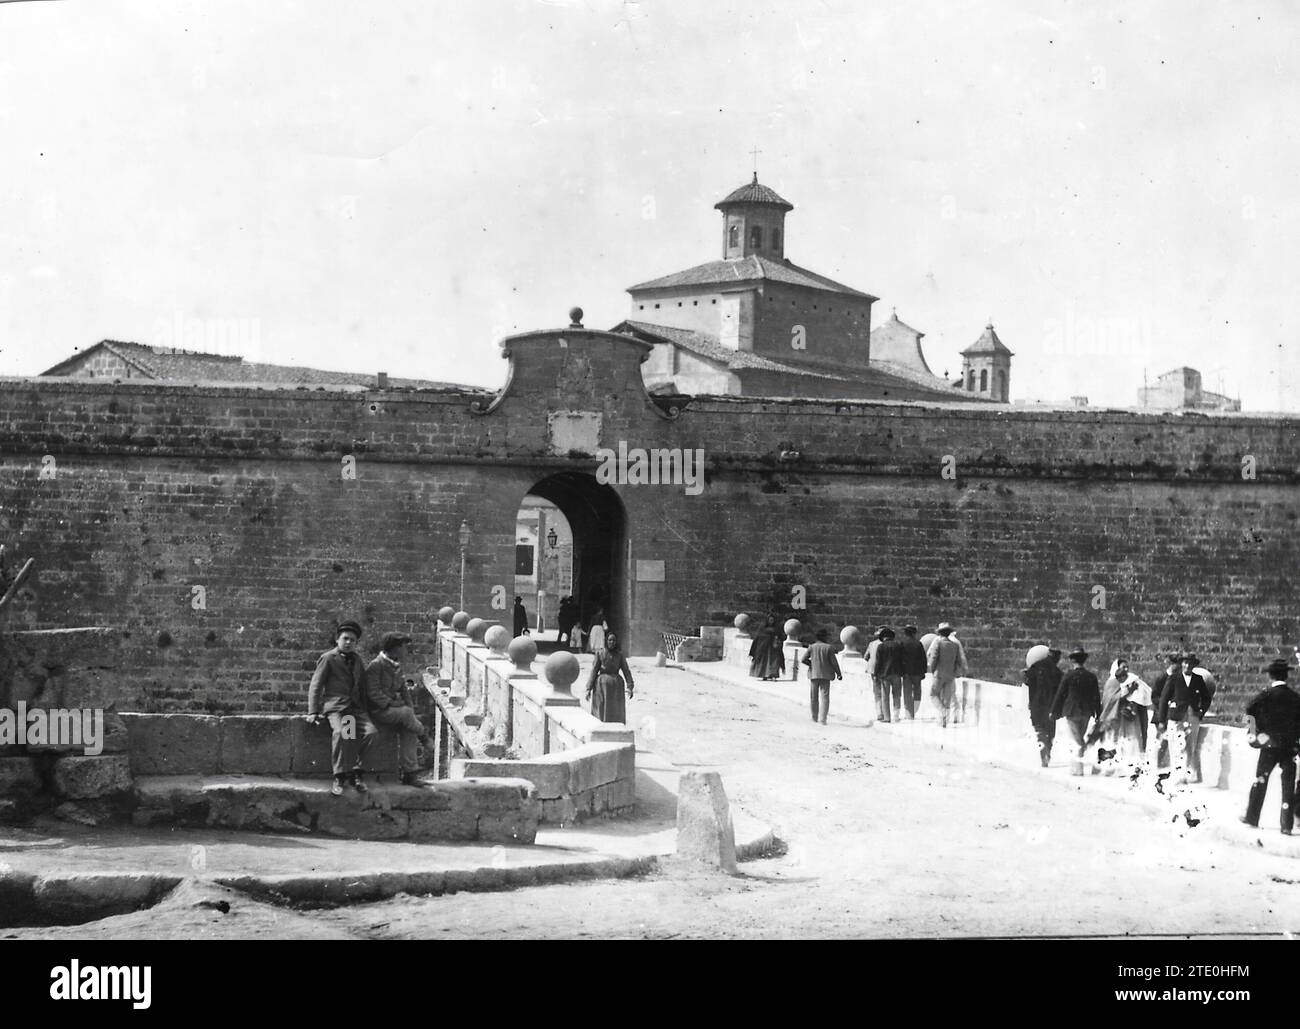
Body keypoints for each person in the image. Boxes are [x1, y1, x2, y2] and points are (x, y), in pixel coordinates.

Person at [306, 620, 378, 796]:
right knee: (342, 733)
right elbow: (316, 685)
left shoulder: (357, 660)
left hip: (355, 709)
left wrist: (367, 711)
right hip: (337, 707)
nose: (348, 643)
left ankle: (357, 772)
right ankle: (339, 776)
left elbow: (362, 687)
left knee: (371, 733)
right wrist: (313, 711)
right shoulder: (329, 658)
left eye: (352, 640)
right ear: (337, 639)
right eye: (345, 639)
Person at [1241, 659, 1300, 835]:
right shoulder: (1296, 698)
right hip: (1290, 748)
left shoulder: (1265, 695)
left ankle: (1252, 818)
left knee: (1260, 780)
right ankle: (1286, 825)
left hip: (1269, 746)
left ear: (1270, 676)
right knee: (1288, 786)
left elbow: (1249, 711)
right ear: (1286, 676)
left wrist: (1254, 734)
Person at [365, 632, 431, 787]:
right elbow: (373, 693)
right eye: (403, 647)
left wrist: (409, 708)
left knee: (408, 728)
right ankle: (425, 738)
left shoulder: (396, 665)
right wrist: (394, 705)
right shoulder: (376, 666)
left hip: (392, 712)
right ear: (394, 649)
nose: (406, 650)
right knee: (407, 715)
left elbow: (403, 690)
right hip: (377, 711)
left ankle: (410, 774)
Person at [1156, 653, 1213, 783]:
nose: (1187, 665)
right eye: (1185, 663)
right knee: (1175, 744)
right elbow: (1164, 699)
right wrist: (1161, 720)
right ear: (1182, 664)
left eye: (1190, 663)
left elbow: (1206, 698)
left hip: (1192, 716)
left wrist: (1201, 711)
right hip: (1176, 716)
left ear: (1194, 666)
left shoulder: (1198, 679)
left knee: (1190, 745)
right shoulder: (1174, 678)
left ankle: (1187, 774)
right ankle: (1176, 774)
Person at [1090, 657, 1152, 776]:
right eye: (1123, 667)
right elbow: (1112, 700)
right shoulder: (1112, 682)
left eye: (1127, 667)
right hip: (1113, 718)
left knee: (1127, 741)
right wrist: (1128, 692)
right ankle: (1107, 768)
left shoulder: (1132, 679)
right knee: (1111, 742)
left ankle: (1127, 767)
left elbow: (1143, 693)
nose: (1126, 669)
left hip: (1126, 718)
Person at [1050, 647, 1101, 776]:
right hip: (1086, 712)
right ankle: (1076, 766)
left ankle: (1077, 768)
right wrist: (1098, 713)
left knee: (1077, 740)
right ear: (1084, 660)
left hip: (1071, 711)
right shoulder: (1091, 676)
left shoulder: (1069, 675)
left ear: (1072, 660)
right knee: (1079, 738)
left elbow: (1060, 694)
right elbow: (1096, 696)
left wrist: (1053, 711)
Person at [1022, 647, 1063, 767]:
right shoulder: (1057, 672)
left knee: (1040, 731)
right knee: (1050, 733)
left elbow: (1027, 681)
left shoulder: (1035, 667)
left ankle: (1043, 754)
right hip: (1051, 707)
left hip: (1036, 706)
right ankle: (1048, 753)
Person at [586, 629, 634, 723]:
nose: (612, 642)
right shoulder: (600, 653)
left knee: (615, 710)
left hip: (616, 686)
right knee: (601, 708)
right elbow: (594, 670)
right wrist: (588, 688)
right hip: (602, 685)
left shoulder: (620, 655)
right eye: (610, 640)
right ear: (606, 641)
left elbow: (626, 671)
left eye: (614, 640)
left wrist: (630, 687)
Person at [926, 622, 968, 727]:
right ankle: (944, 722)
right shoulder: (955, 645)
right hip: (950, 675)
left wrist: (933, 670)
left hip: (939, 674)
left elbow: (933, 658)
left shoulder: (938, 643)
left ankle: (942, 711)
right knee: (947, 699)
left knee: (933, 694)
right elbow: (959, 660)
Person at [801, 628, 842, 725]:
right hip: (826, 675)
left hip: (814, 675)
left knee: (813, 697)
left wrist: (811, 664)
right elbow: (834, 663)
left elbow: (803, 659)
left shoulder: (811, 647)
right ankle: (823, 719)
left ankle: (814, 717)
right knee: (825, 697)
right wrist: (839, 673)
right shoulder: (828, 648)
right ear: (824, 637)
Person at [874, 627, 903, 723]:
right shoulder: (898, 645)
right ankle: (896, 716)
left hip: (885, 674)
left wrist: (876, 674)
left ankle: (887, 717)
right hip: (897, 673)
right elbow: (902, 660)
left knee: (885, 696)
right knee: (897, 695)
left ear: (883, 637)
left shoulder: (881, 647)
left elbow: (878, 662)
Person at [898, 625, 927, 720]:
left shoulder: (902, 644)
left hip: (906, 672)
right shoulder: (918, 644)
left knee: (907, 693)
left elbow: (899, 659)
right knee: (917, 692)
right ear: (914, 633)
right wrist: (924, 672)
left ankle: (909, 713)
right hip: (917, 673)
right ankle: (915, 710)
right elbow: (923, 659)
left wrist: (900, 671)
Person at [748, 615, 785, 681]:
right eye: (770, 620)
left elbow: (780, 638)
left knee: (774, 663)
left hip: (774, 649)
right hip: (763, 649)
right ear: (767, 621)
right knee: (764, 662)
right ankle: (764, 675)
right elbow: (757, 639)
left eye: (772, 620)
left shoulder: (776, 629)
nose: (771, 621)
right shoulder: (762, 629)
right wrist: (753, 652)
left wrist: (777, 641)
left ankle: (773, 676)